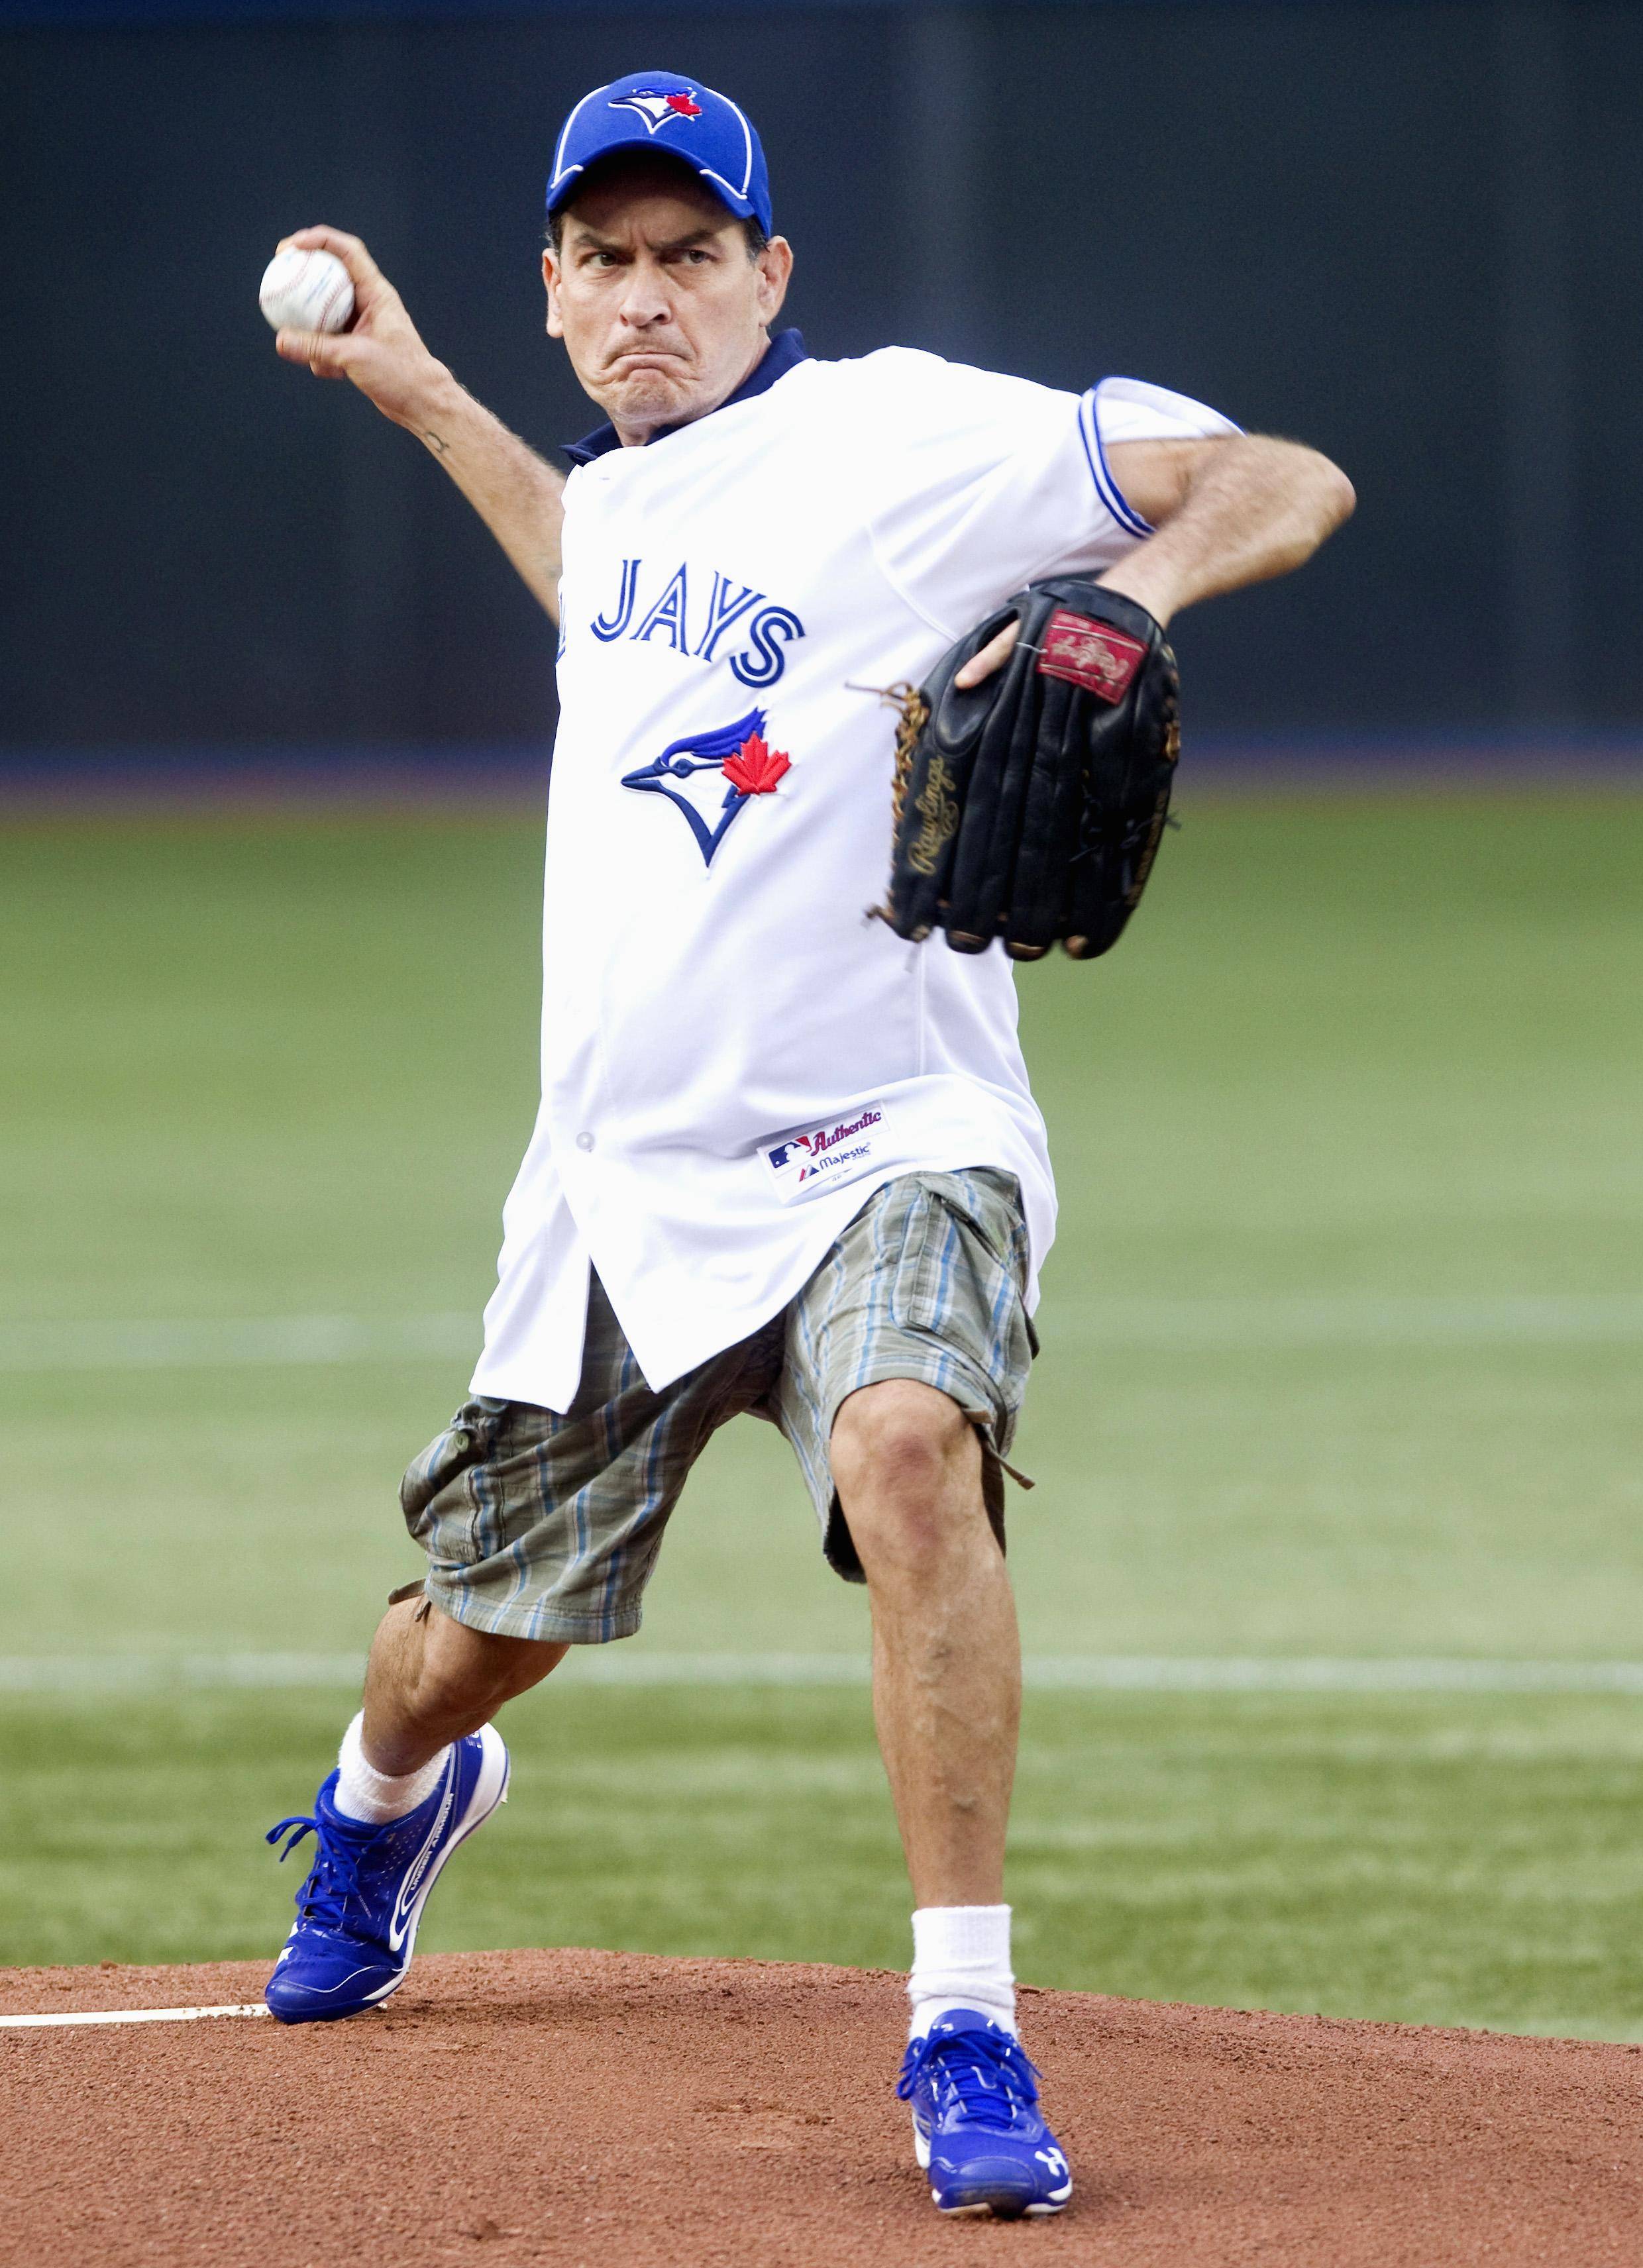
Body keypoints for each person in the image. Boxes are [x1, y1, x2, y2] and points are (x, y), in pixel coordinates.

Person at [260, 68, 1353, 2219]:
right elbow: (606, 579)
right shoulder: (634, 493)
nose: (648, 298)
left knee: (909, 1448)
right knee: (468, 1641)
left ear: (773, 274)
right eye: (607, 261)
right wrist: (422, 402)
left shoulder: (902, 433)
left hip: (894, 1129)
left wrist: (1132, 595)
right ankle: (394, 1794)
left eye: (692, 257)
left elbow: (1282, 473)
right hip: (621, 1182)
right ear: (555, 292)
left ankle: (964, 2023)